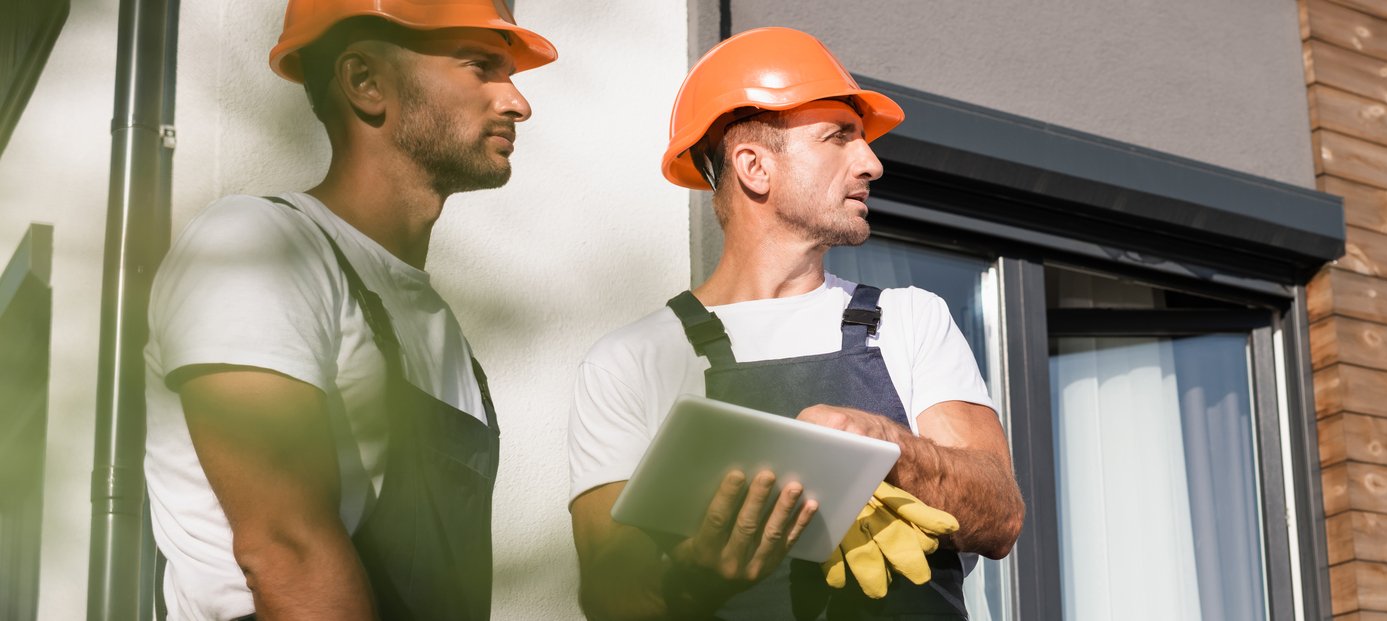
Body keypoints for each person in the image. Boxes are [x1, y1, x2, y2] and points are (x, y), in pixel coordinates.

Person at [568, 27, 1025, 620]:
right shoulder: (634, 362)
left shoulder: (909, 319)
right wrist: (697, 577)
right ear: (754, 167)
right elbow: (610, 596)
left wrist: (885, 447)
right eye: (840, 137)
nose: (872, 163)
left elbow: (1002, 513)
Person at [141, 1, 554, 618]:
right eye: (481, 67)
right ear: (366, 83)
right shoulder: (257, 245)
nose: (518, 102)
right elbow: (285, 549)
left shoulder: (438, 324)